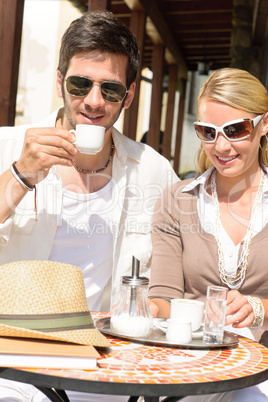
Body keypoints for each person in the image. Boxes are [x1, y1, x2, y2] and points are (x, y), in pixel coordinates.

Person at [0, 10, 178, 402]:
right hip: (10, 360)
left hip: (105, 366)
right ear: (60, 81)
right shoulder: (7, 148)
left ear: (129, 95)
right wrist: (20, 176)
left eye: (110, 90)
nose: (94, 102)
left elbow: (188, 257)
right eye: (81, 84)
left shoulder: (154, 171)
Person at [149, 67, 268, 401]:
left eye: (235, 130)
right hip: (195, 365)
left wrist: (259, 309)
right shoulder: (177, 200)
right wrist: (143, 310)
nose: (221, 146)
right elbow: (164, 295)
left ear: (264, 125)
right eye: (208, 131)